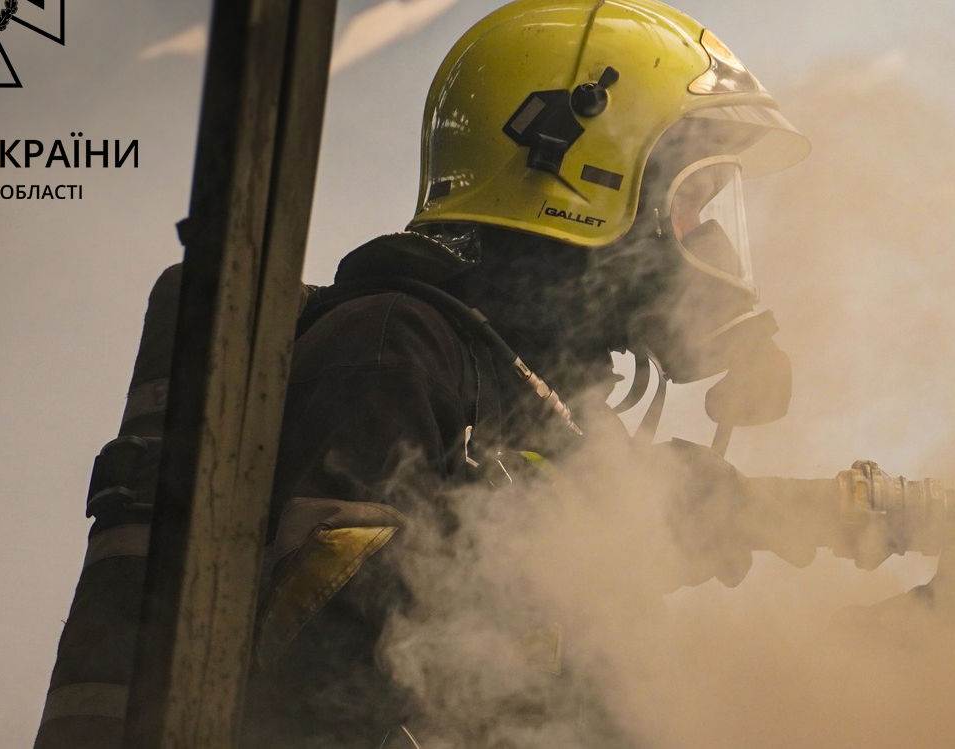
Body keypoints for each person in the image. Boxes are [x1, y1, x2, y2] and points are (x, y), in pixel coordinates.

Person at [239, 1, 810, 745]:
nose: (703, 243)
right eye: (688, 203)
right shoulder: (389, 349)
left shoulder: (545, 400)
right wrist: (594, 527)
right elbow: (318, 687)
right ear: (581, 180)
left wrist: (646, 510)